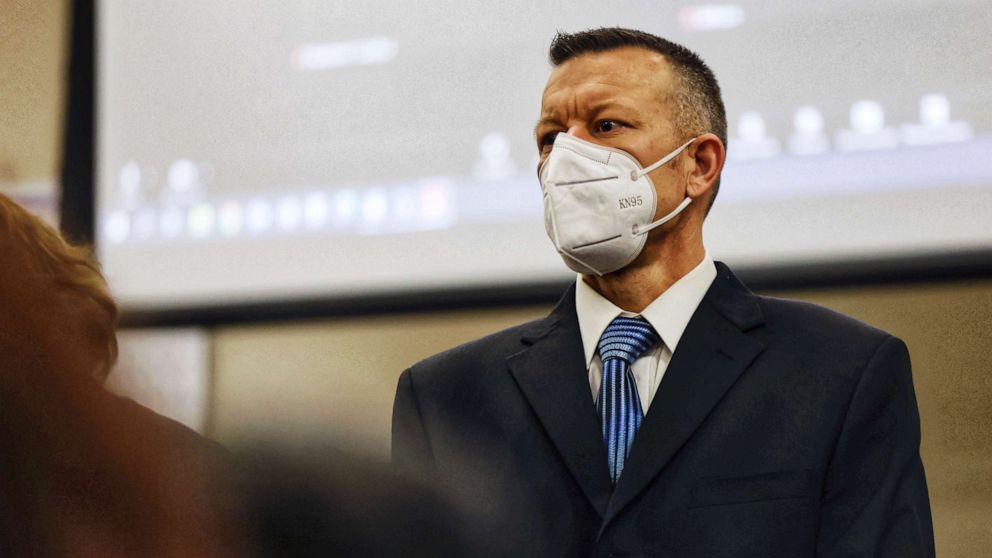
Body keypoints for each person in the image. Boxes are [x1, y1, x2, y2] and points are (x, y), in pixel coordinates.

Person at [392, 28, 935, 557]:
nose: (566, 160)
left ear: (699, 165)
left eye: (606, 126)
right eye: (551, 138)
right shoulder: (446, 397)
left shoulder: (841, 370)